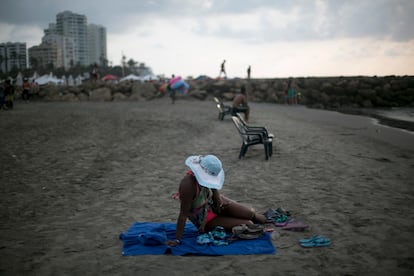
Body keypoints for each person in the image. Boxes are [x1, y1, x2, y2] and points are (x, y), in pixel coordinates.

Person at [165, 155, 268, 246]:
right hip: (205, 218)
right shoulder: (188, 185)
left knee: (250, 213)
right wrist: (177, 239)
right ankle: (256, 221)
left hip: (212, 204)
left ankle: (268, 219)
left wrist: (220, 204)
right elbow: (183, 214)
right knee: (248, 224)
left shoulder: (206, 179)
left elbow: (214, 191)